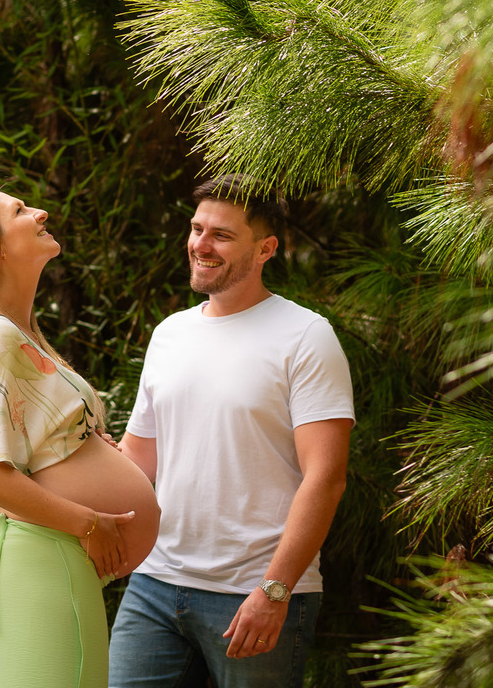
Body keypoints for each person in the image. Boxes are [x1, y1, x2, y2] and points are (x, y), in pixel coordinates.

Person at [108, 174, 355, 688]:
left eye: (221, 235)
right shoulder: (169, 334)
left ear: (266, 248)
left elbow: (326, 477)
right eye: (197, 229)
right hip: (155, 583)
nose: (200, 244)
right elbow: (136, 463)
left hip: (255, 592)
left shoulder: (306, 337)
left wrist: (276, 589)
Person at [0, 182, 160, 688]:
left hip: (53, 561)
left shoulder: (15, 334)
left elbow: (38, 449)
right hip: (45, 560)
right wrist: (88, 523)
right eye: (18, 210)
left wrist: (94, 449)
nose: (40, 212)